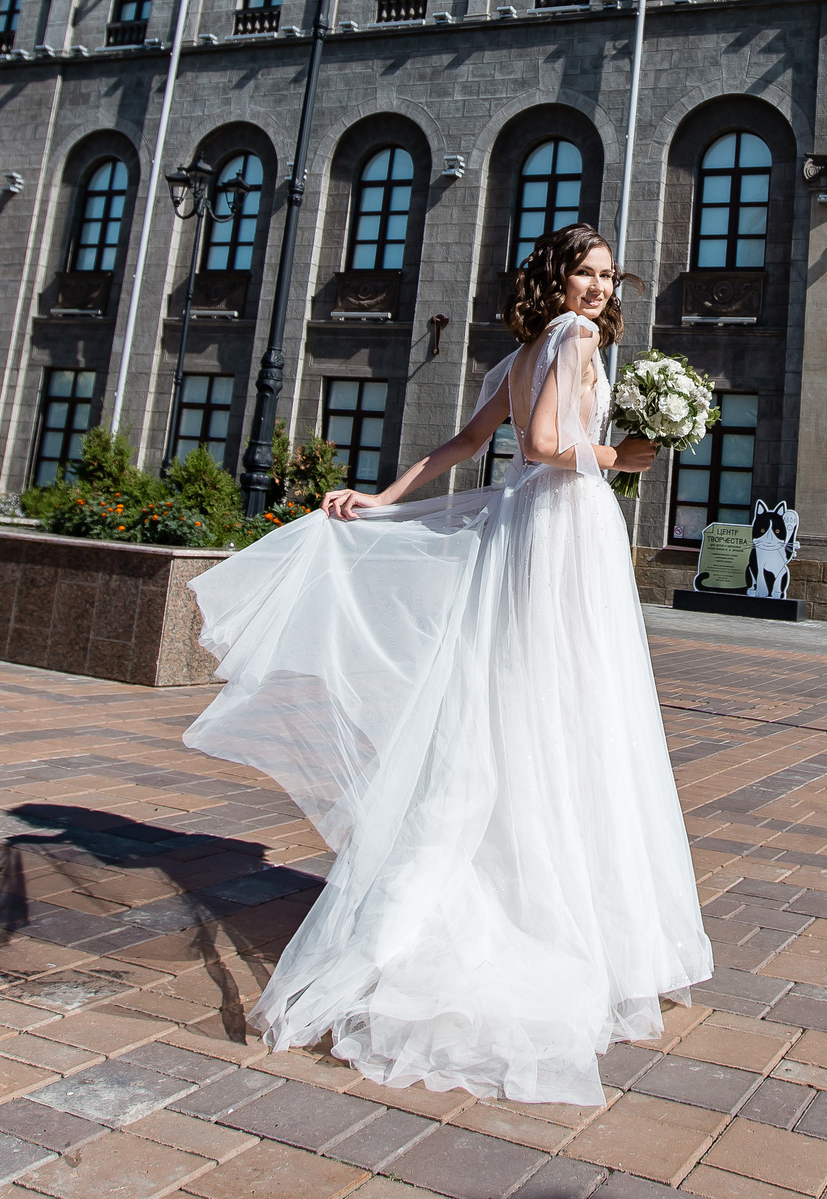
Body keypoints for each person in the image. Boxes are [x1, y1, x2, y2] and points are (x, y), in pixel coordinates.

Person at [182, 223, 710, 1104]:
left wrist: (378, 498)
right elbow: (542, 449)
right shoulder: (572, 340)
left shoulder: (519, 351)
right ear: (558, 278)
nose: (599, 290)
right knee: (567, 711)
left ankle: (512, 892)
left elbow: (463, 447)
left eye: (610, 276)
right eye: (586, 272)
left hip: (533, 533)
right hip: (564, 526)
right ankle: (564, 920)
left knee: (515, 709)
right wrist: (628, 455)